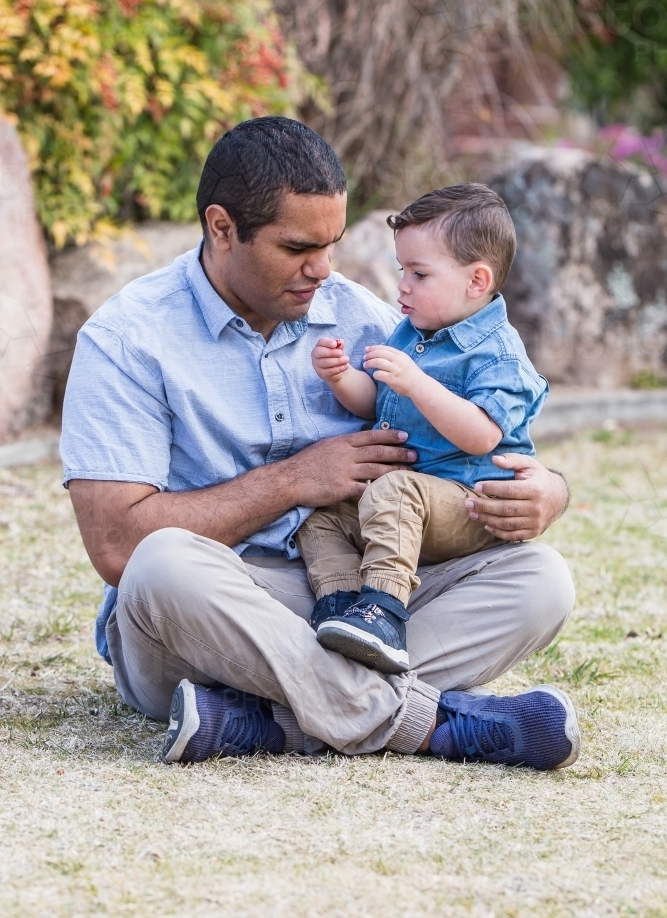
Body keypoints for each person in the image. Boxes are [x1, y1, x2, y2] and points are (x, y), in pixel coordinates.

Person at [61, 116, 579, 771]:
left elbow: (465, 437)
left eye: (331, 244)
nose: (322, 270)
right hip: (212, 608)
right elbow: (116, 548)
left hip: (356, 607)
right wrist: (296, 479)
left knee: (539, 581)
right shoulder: (126, 341)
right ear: (221, 228)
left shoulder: (367, 319)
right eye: (298, 247)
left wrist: (548, 491)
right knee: (162, 563)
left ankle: (267, 724)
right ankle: (429, 723)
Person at [297, 184, 549, 676]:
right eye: (402, 271)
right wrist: (341, 377)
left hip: (469, 502)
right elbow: (376, 400)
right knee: (319, 515)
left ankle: (384, 614)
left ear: (477, 281)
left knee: (393, 492)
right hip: (408, 502)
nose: (402, 287)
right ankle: (342, 603)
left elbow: (482, 435)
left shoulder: (496, 353)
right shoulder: (415, 331)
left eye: (420, 273)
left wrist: (416, 382)